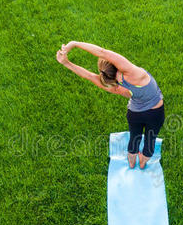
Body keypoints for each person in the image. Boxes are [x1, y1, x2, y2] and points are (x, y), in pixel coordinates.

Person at [56, 41, 165, 169]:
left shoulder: (114, 87)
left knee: (134, 138)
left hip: (134, 114)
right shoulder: (133, 73)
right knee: (150, 140)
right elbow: (102, 52)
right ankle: (142, 164)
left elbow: (89, 76)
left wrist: (66, 63)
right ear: (116, 64)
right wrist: (74, 43)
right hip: (155, 113)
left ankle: (131, 163)